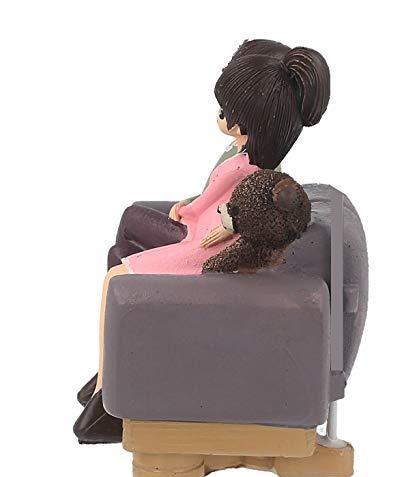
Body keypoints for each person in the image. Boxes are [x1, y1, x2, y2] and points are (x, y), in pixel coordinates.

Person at [74, 39, 331, 444]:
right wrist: (191, 204)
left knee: (116, 277)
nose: (221, 119)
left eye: (229, 114)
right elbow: (214, 195)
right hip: (198, 224)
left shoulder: (258, 173)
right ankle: (114, 356)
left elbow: (256, 215)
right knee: (122, 245)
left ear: (254, 122)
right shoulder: (242, 153)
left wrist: (230, 222)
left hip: (205, 246)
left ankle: (108, 396)